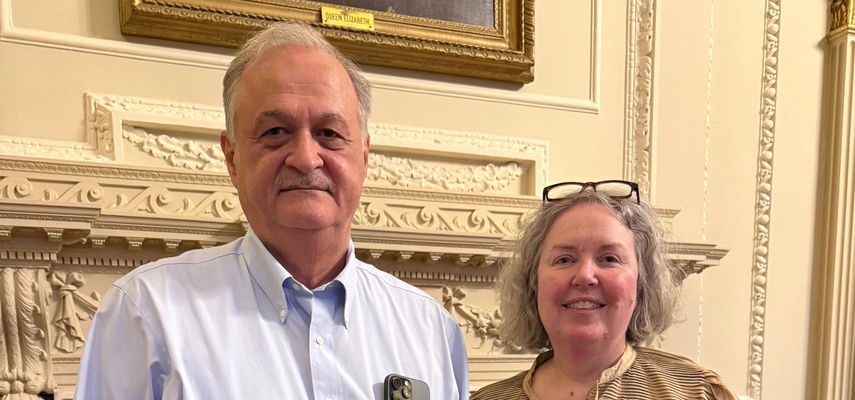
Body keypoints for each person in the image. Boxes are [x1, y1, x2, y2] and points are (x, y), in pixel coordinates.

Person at [74, 22, 468, 400]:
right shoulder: (148, 312)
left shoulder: (429, 329)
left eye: (329, 134)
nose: (305, 157)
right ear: (232, 158)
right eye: (275, 132)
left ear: (363, 158)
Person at [471, 181, 737, 400]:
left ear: (642, 283)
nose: (585, 276)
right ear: (534, 284)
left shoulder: (697, 393)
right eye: (564, 259)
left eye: (609, 259)